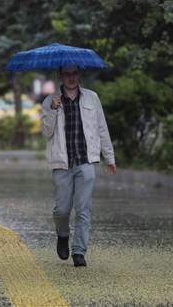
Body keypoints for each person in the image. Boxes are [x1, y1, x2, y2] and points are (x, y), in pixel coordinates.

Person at [41, 64, 116, 267]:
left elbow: (102, 128)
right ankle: (63, 235)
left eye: (74, 73)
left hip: (86, 161)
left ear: (79, 74)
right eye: (67, 74)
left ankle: (79, 252)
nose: (71, 78)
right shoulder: (50, 101)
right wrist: (52, 110)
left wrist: (109, 157)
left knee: (83, 209)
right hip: (61, 164)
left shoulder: (92, 97)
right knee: (62, 210)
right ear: (61, 76)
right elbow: (46, 132)